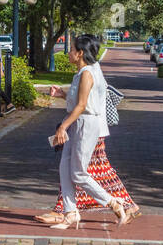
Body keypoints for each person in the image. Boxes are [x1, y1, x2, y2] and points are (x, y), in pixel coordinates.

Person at [38, 33, 131, 229]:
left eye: (71, 50)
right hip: (77, 122)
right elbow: (80, 101)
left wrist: (63, 126)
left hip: (86, 124)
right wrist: (63, 94)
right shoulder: (83, 73)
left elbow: (82, 106)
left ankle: (113, 202)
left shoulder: (88, 73)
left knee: (79, 173)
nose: (69, 53)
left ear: (80, 53)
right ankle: (70, 213)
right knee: (65, 168)